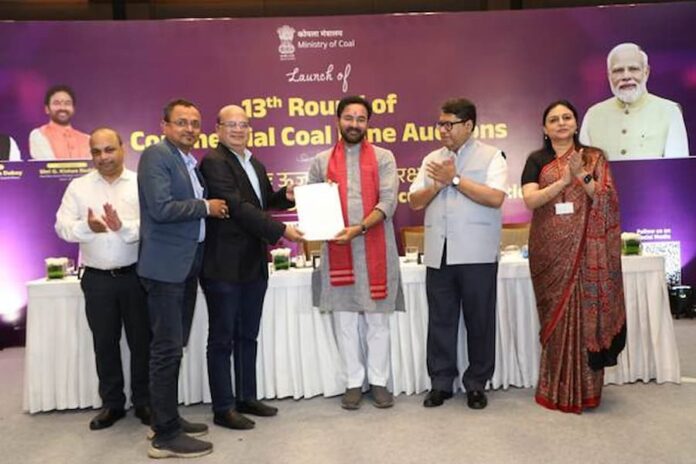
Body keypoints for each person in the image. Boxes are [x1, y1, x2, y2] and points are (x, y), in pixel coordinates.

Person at [199, 105, 304, 430]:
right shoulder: (214, 162)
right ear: (218, 129)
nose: (238, 129)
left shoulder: (254, 163)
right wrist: (281, 230)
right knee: (222, 339)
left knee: (248, 335)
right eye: (231, 124)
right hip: (223, 265)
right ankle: (223, 407)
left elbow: (261, 203)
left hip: (253, 263)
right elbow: (237, 207)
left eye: (243, 124)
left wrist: (285, 197)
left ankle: (246, 397)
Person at [522, 100, 627, 413]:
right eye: (554, 119)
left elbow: (606, 199)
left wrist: (581, 175)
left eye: (567, 117)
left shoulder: (594, 157)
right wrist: (563, 181)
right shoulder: (536, 160)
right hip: (548, 251)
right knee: (554, 321)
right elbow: (530, 200)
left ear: (576, 123)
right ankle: (554, 389)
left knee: (586, 320)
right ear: (545, 128)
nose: (561, 123)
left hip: (587, 251)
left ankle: (587, 392)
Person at [137, 99, 227, 458]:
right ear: (164, 125)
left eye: (194, 123)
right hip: (165, 270)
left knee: (173, 348)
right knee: (166, 350)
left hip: (185, 267)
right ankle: (165, 436)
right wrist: (206, 207)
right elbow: (160, 208)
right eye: (181, 122)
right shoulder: (157, 156)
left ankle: (166, 419)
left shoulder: (186, 160)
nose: (189, 129)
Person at [408, 97, 507, 410]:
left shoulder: (492, 156)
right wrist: (437, 186)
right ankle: (441, 383)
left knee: (480, 321)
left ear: (468, 125)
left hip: (477, 254)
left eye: (449, 124)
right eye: (440, 124)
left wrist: (454, 179)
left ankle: (476, 383)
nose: (443, 130)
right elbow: (414, 200)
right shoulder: (431, 159)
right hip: (439, 252)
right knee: (440, 320)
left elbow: (495, 198)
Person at [307, 95, 402, 410]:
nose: (354, 124)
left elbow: (388, 202)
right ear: (338, 120)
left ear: (368, 123)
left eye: (361, 119)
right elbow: (313, 203)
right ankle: (352, 382)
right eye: (349, 118)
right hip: (338, 249)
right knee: (345, 320)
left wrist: (359, 228)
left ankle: (378, 381)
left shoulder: (384, 157)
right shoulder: (321, 161)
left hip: (376, 247)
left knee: (377, 320)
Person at [55, 127, 150, 430]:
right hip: (97, 280)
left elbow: (152, 225)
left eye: (109, 150)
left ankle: (144, 401)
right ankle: (112, 404)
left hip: (136, 276)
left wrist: (122, 227)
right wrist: (87, 228)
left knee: (142, 342)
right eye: (96, 151)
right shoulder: (79, 187)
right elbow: (61, 226)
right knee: (104, 343)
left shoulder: (140, 183)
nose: (103, 157)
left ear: (122, 149)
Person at [579, 42, 689, 160]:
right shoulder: (593, 115)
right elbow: (583, 167)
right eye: (618, 70)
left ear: (646, 72)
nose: (626, 76)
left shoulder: (670, 111)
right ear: (609, 75)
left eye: (633, 69)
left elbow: (678, 167)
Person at [29, 84, 90, 160]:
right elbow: (48, 165)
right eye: (57, 103)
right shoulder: (39, 135)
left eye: (67, 103)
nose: (62, 108)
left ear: (73, 109)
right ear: (47, 109)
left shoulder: (87, 140)